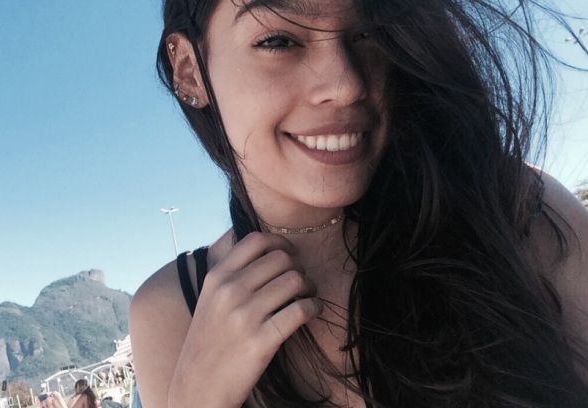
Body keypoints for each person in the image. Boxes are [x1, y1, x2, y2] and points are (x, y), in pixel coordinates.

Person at [129, 0, 588, 407]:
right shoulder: (171, 312)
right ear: (188, 69)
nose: (346, 84)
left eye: (369, 33)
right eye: (278, 40)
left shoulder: (516, 209)